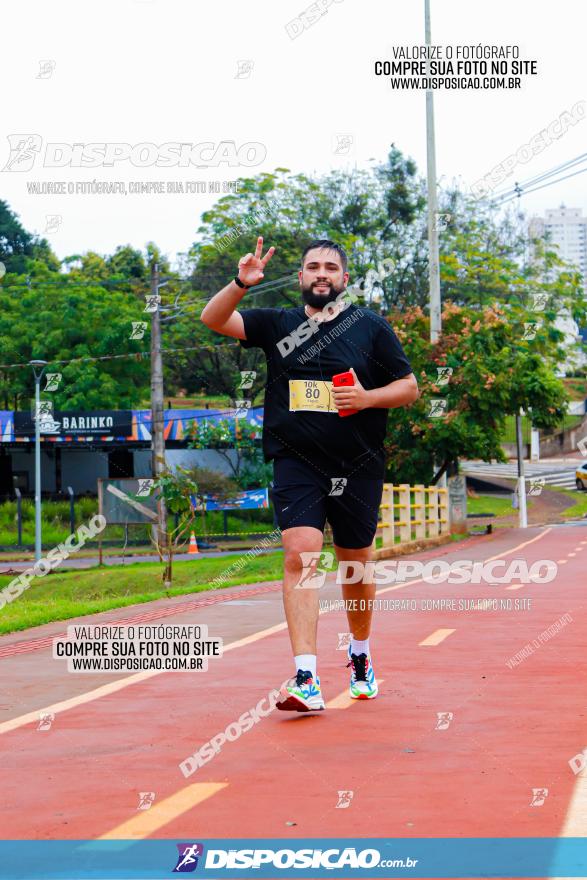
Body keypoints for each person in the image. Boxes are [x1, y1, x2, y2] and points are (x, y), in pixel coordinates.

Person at [200, 237, 418, 712]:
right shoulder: (277, 324)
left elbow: (409, 386)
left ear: (343, 279)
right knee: (301, 554)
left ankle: (360, 655)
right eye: (313, 267)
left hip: (358, 463)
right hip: (297, 460)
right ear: (300, 277)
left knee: (355, 562)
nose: (322, 274)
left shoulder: (371, 329)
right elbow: (213, 319)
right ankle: (306, 677)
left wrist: (366, 399)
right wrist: (241, 282)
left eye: (331, 268)